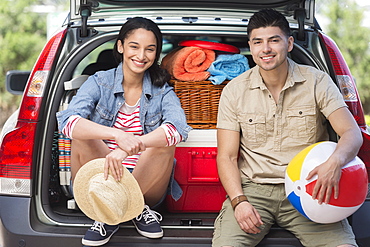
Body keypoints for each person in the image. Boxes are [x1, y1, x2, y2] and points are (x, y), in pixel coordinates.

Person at [212, 8, 363, 247]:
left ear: (289, 43)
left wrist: (334, 163)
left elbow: (352, 133)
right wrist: (239, 202)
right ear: (251, 47)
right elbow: (227, 157)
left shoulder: (317, 81)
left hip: (312, 187)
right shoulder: (234, 90)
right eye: (258, 42)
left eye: (274, 40)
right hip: (255, 191)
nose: (266, 49)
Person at [56, 17, 191, 246]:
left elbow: (179, 129)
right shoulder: (99, 82)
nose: (141, 56)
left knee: (166, 141)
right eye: (134, 47)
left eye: (150, 49)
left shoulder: (162, 90)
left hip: (146, 185)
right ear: (120, 47)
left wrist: (129, 148)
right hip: (99, 177)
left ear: (156, 54)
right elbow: (67, 122)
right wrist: (118, 136)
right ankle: (112, 206)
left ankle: (120, 210)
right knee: (81, 133)